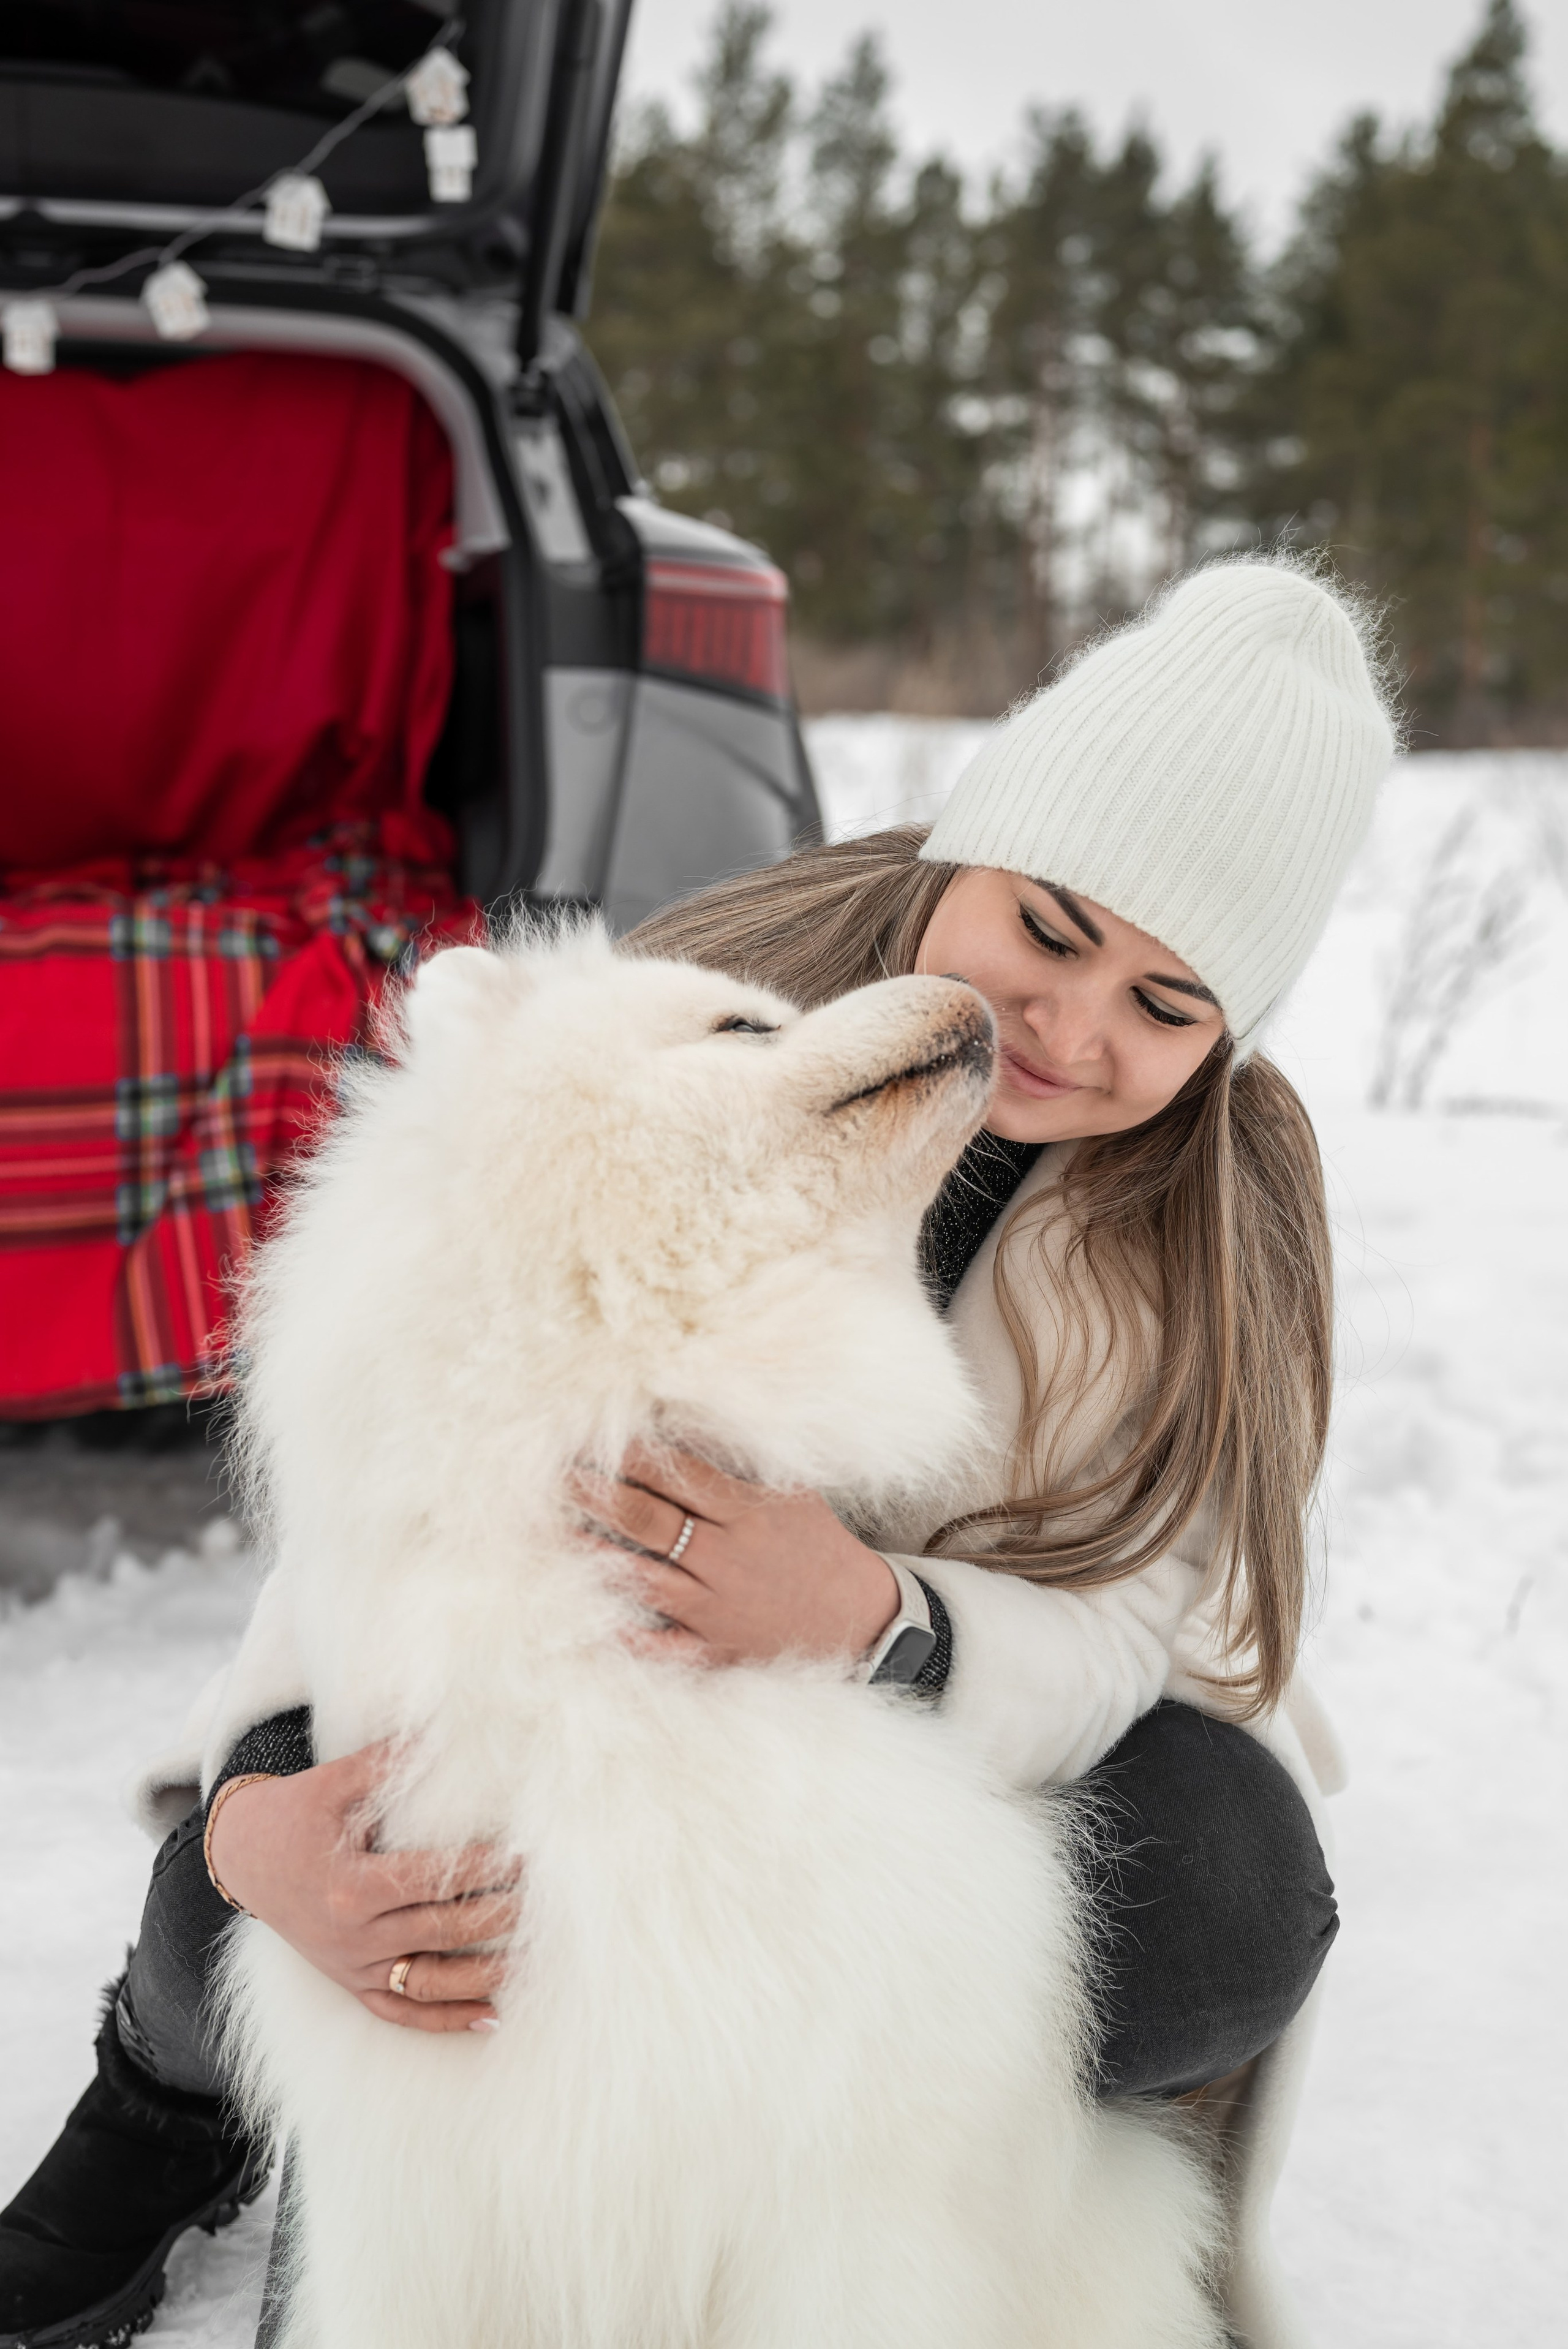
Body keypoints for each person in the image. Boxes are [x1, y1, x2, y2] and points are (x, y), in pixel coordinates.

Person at [0, 555, 1393, 2349]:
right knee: (283, 1881)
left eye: (1168, 1003)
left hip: (951, 1737)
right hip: (585, 1686)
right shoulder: (723, 998)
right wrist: (261, 1807)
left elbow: (1135, 1624)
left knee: (1226, 1888)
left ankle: (867, 2145)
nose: (1072, 1025)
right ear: (964, 845)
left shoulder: (1211, 1226)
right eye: (1049, 930)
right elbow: (433, 1433)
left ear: (1230, 1035)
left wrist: (882, 1613)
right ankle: (172, 2094)